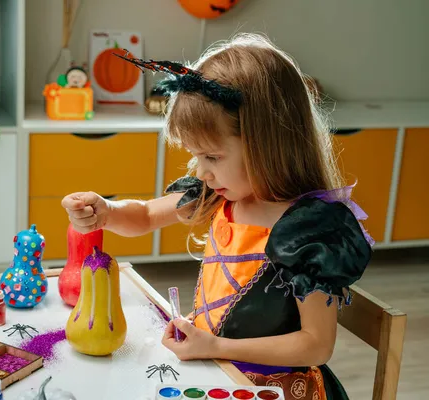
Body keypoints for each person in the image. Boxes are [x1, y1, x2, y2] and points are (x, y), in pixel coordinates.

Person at [60, 33, 373, 400]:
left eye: (213, 157)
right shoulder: (216, 194)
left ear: (267, 144)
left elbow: (315, 346)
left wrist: (214, 347)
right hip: (215, 371)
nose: (201, 171)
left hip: (273, 388)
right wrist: (106, 212)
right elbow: (144, 216)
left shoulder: (309, 230)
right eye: (196, 155)